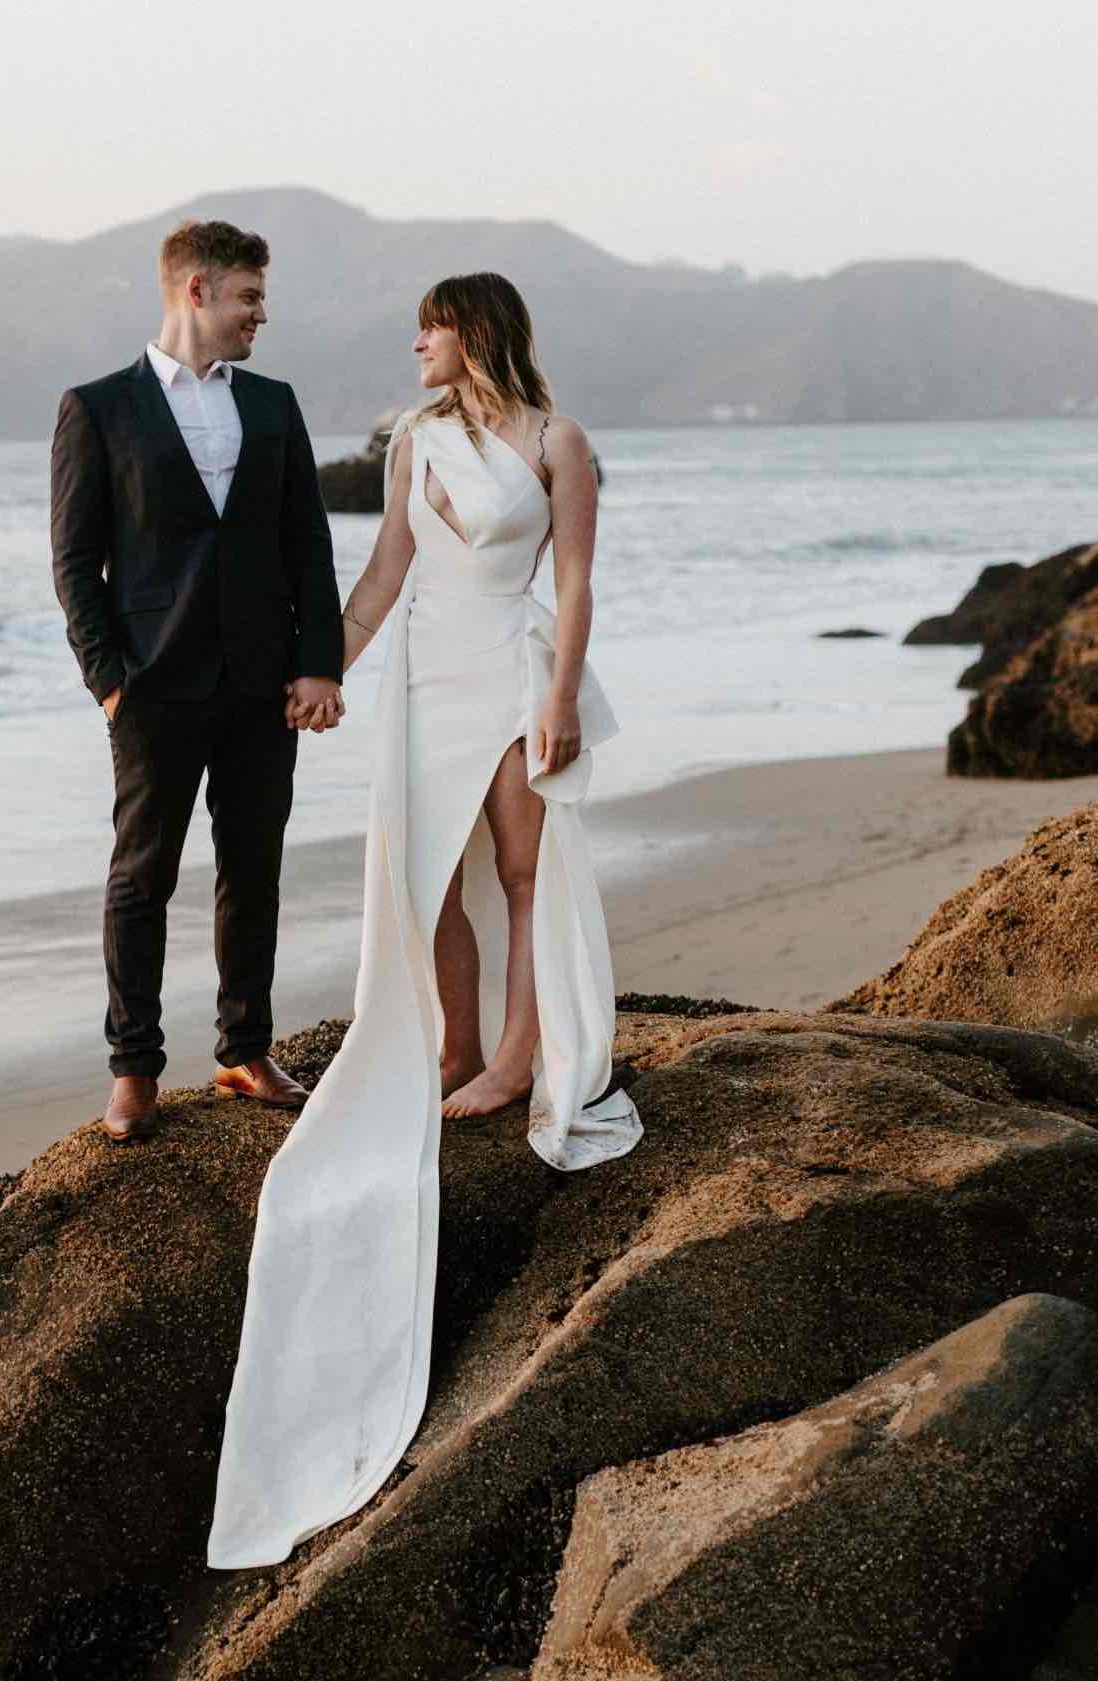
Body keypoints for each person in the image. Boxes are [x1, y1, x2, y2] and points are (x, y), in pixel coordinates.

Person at [208, 272, 643, 1570]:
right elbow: (387, 567)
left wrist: (559, 694)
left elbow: (571, 586)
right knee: (427, 875)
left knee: (515, 870)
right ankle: (452, 1046)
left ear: (477, 328)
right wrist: (322, 666)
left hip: (508, 670)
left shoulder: (555, 442)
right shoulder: (413, 440)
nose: (413, 344)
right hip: (418, 678)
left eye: (429, 325)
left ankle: (516, 1059)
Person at [50, 218, 345, 1144]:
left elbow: (308, 542)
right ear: (197, 291)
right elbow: (75, 560)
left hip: (264, 685)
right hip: (153, 687)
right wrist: (109, 681)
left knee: (252, 869)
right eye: (249, 297)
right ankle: (133, 1069)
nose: (261, 314)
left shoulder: (273, 404)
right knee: (143, 877)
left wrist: (318, 663)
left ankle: (244, 1049)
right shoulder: (96, 408)